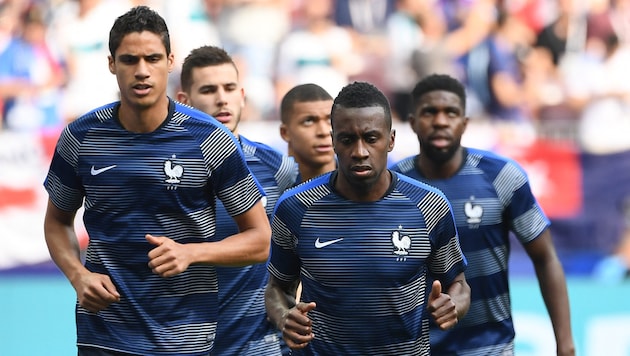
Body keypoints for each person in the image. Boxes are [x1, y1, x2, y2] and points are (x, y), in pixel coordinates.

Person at [43, 6, 271, 355]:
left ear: (170, 62)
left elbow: (260, 240)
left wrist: (193, 253)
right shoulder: (81, 136)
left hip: (184, 337)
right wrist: (78, 275)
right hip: (104, 333)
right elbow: (57, 222)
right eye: (129, 60)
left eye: (152, 58)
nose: (141, 71)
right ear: (110, 64)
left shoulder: (209, 138)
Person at [265, 81, 470, 355]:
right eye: (347, 139)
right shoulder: (295, 207)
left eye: (371, 138)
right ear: (333, 139)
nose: (360, 152)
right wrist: (284, 317)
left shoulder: (429, 205)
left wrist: (453, 305)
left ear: (391, 140)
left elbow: (459, 284)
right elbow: (276, 288)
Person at [390, 73, 575, 355]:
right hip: (417, 349)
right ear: (413, 122)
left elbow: (545, 257)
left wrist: (566, 345)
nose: (440, 121)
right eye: (430, 112)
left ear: (465, 123)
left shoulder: (501, 176)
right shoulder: (393, 186)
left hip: (489, 346)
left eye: (450, 112)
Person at [176, 45, 299, 356]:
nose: (222, 98)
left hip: (260, 344)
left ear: (242, 95)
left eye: (229, 88)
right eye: (208, 90)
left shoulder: (277, 168)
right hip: (186, 342)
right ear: (184, 102)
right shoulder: (168, 171)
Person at [279, 83, 336, 182]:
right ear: (285, 133)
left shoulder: (361, 185)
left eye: (330, 120)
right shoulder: (266, 191)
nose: (324, 132)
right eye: (309, 121)